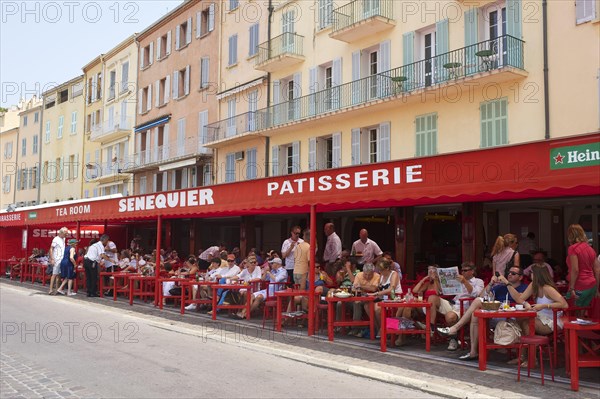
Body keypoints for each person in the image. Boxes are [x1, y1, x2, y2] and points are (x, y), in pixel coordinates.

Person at [437, 265, 528, 360]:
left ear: (520, 277)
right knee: (475, 313)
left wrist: (507, 283)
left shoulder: (524, 287)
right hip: (494, 315)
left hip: (512, 318)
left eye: (513, 273)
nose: (509, 275)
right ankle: (473, 352)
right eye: (508, 273)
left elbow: (519, 299)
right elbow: (481, 296)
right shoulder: (500, 287)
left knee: (476, 307)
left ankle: (455, 328)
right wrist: (490, 284)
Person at [509, 264, 568, 365]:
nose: (530, 275)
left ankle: (532, 358)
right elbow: (520, 299)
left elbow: (564, 304)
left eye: (531, 273)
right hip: (539, 317)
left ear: (537, 275)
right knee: (519, 320)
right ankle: (522, 357)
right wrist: (507, 284)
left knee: (527, 323)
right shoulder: (533, 285)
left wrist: (544, 306)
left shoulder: (547, 288)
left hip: (551, 320)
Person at [427, 261, 484, 351]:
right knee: (432, 298)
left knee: (450, 317)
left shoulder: (478, 281)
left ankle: (453, 338)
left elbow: (476, 295)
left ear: (472, 271)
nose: (463, 272)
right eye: (462, 270)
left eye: (465, 270)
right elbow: (440, 292)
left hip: (464, 307)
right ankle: (431, 328)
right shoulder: (458, 280)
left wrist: (465, 282)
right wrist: (436, 280)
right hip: (454, 303)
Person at [566, 224, 599, 307]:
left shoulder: (573, 248)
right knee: (581, 313)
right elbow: (597, 270)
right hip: (591, 286)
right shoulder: (590, 249)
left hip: (579, 285)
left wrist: (572, 288)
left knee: (569, 312)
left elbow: (575, 269)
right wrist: (597, 289)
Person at [349, 262, 380, 337]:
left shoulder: (377, 276)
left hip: (373, 299)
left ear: (373, 272)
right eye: (365, 274)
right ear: (363, 272)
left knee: (363, 304)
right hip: (360, 298)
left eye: (370, 274)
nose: (367, 276)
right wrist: (364, 287)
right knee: (356, 302)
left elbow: (373, 288)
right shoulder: (359, 275)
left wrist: (361, 286)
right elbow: (354, 288)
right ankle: (355, 328)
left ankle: (359, 328)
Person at [48, 227, 68, 295]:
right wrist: (52, 258)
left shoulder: (64, 239)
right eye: (66, 233)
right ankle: (50, 289)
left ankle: (57, 289)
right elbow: (51, 249)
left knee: (59, 275)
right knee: (54, 274)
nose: (67, 234)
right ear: (61, 233)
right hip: (56, 259)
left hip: (61, 259)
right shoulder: (56, 239)